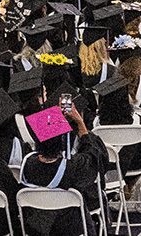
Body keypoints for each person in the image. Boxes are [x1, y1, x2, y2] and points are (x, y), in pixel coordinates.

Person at [20, 96, 108, 236]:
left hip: (37, 229)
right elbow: (93, 156)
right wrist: (80, 123)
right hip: (71, 228)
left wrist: (51, 120)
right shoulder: (73, 166)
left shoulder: (27, 166)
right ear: (61, 143)